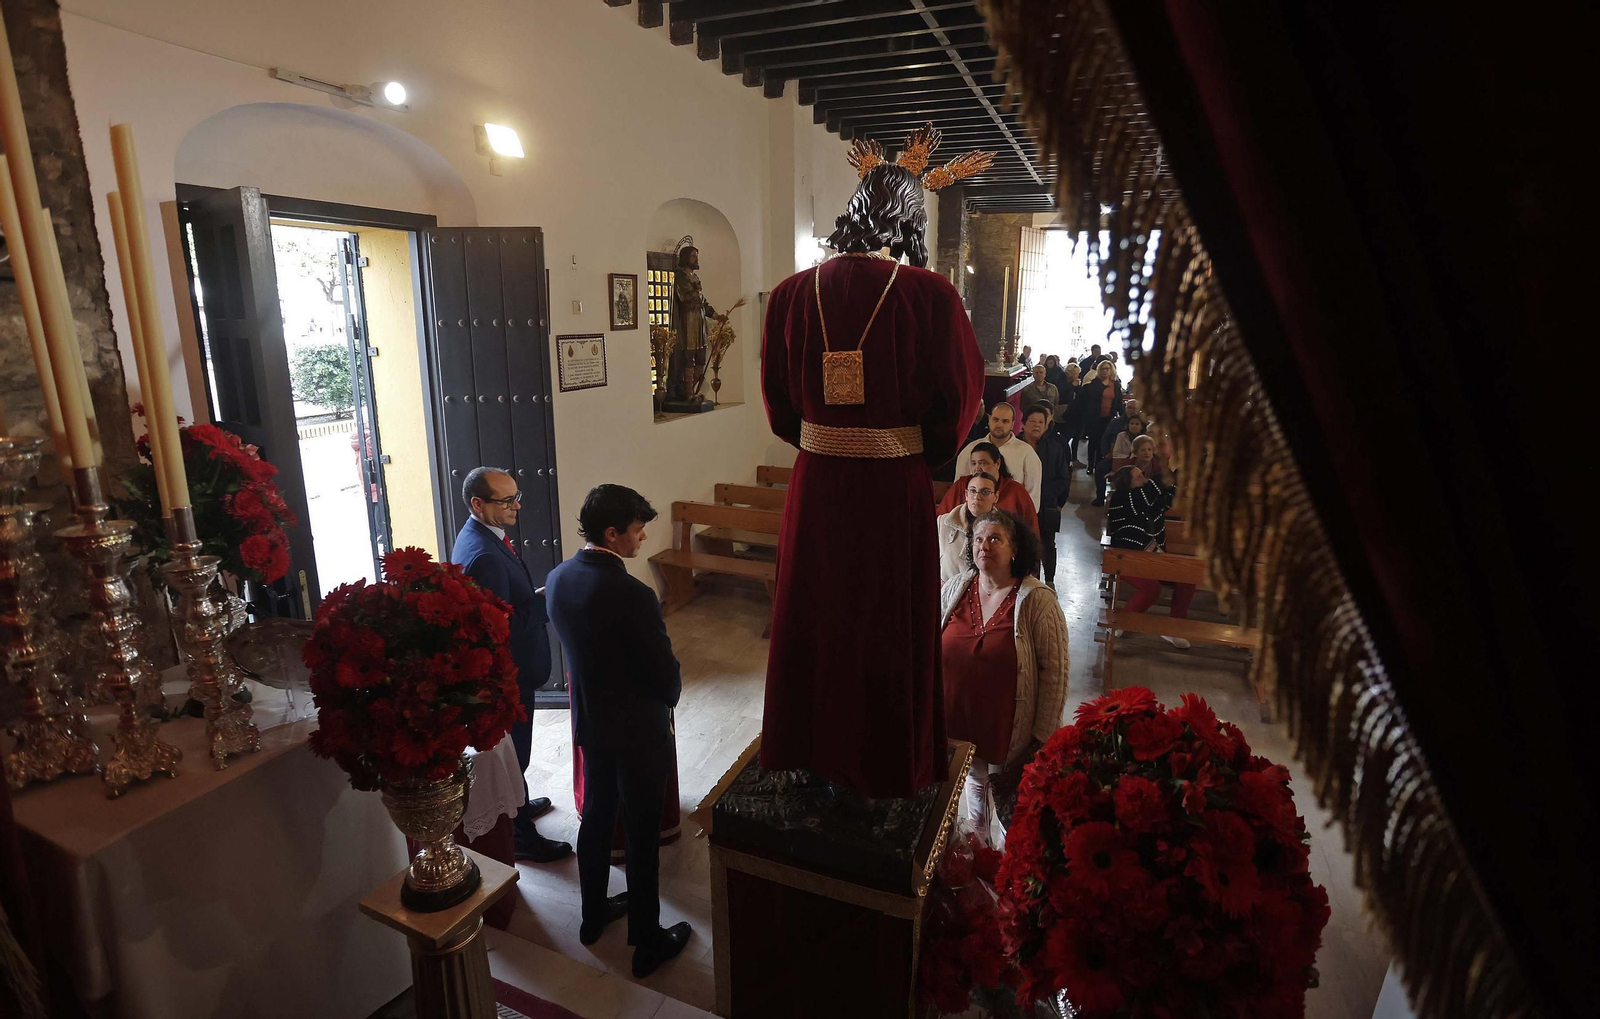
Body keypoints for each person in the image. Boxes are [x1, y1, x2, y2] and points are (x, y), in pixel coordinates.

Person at [760, 181, 985, 797]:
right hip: (893, 485)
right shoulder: (929, 293)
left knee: (816, 608)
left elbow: (780, 410)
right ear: (907, 223)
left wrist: (826, 439)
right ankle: (885, 763)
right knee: (888, 619)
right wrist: (914, 447)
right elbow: (960, 399)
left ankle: (808, 752)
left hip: (816, 484)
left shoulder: (787, 295)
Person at [544, 485, 692, 976]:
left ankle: (592, 916)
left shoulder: (560, 577)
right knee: (643, 832)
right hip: (637, 730)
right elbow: (659, 669)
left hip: (593, 720)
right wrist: (671, 692)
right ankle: (648, 941)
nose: (643, 536)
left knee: (598, 817)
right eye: (637, 528)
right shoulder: (633, 594)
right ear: (613, 533)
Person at [449, 467, 570, 864]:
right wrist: (544, 600)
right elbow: (499, 629)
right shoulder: (483, 554)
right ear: (477, 504)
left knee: (518, 752)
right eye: (506, 500)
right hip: (508, 675)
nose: (516, 505)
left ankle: (516, 802)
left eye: (517, 496)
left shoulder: (481, 536)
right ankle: (519, 834)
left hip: (514, 672)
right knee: (515, 752)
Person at [939, 509, 1069, 841]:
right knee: (972, 785)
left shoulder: (1036, 600)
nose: (985, 546)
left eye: (995, 538)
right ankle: (979, 849)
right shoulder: (955, 587)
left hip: (1007, 724)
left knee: (1012, 807)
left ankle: (1007, 864)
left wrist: (1043, 735)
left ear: (1015, 549)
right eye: (978, 539)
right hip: (957, 717)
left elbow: (1055, 672)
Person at [1107, 459, 1193, 649]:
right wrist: (1170, 468)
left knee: (1187, 579)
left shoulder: (1145, 499)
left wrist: (1178, 477)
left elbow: (1166, 498)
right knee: (1151, 588)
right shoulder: (1122, 498)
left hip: (1153, 557)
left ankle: (1174, 628)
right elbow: (1148, 492)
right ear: (1127, 483)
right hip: (1127, 557)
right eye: (1139, 477)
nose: (1144, 480)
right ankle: (1123, 622)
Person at [936, 442, 1040, 536]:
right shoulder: (961, 485)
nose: (977, 468)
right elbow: (940, 520)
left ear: (997, 464)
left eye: (983, 463)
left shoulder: (1016, 490)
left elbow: (1031, 531)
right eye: (973, 463)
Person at [1020, 403, 1072, 584]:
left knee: (1047, 545)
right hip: (1020, 506)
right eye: (1032, 421)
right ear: (1023, 424)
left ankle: (1049, 582)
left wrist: (1058, 503)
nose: (1036, 425)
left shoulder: (1054, 448)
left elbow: (1064, 478)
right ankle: (1026, 581)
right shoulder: (1015, 447)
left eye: (1040, 422)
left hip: (1047, 504)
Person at [955, 402, 1042, 509]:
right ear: (989, 420)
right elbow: (959, 488)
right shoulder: (971, 449)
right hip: (973, 512)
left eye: (1005, 421)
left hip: (1011, 516)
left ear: (1012, 424)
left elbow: (1033, 494)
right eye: (995, 419)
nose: (999, 425)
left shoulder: (1026, 452)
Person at [937, 470, 998, 583]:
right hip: (946, 592)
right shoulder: (943, 523)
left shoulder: (1005, 528)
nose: (977, 496)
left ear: (995, 497)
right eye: (973, 491)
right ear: (966, 495)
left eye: (985, 492)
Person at [1079, 360, 1124, 505]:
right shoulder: (1095, 384)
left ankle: (1100, 463)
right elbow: (1089, 402)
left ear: (1111, 371)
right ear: (1099, 370)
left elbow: (1118, 402)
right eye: (1103, 369)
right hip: (1095, 418)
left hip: (1108, 418)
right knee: (1093, 442)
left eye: (1108, 369)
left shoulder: (1115, 385)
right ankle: (1090, 465)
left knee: (1103, 443)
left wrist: (1122, 416)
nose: (1105, 371)